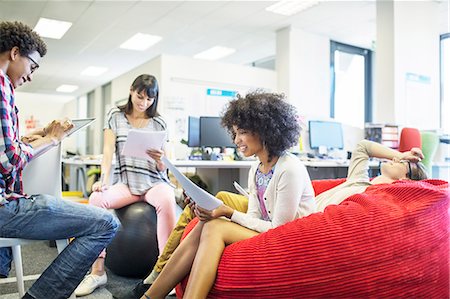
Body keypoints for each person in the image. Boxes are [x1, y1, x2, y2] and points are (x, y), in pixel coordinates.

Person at [141, 91, 317, 299]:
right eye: (234, 133)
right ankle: (150, 296)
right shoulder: (257, 168)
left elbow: (280, 229)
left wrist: (229, 213)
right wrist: (222, 213)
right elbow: (255, 216)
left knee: (215, 226)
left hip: (289, 238)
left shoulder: (290, 169)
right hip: (269, 230)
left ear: (264, 129)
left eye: (241, 132)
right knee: (207, 224)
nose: (236, 140)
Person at [0, 21, 120, 299]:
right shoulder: (3, 88)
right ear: (16, 53)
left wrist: (39, 134)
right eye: (32, 65)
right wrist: (52, 140)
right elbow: (9, 161)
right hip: (5, 207)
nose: (31, 75)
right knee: (106, 224)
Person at [75, 74, 177, 296]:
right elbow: (108, 152)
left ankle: (164, 271)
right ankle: (98, 271)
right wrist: (103, 181)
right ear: (131, 91)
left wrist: (161, 158)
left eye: (149, 100)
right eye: (140, 97)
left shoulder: (160, 122)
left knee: (168, 199)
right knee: (95, 200)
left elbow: (164, 168)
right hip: (127, 184)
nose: (144, 103)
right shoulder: (115, 115)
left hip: (154, 183)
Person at [315, 139, 428, 211]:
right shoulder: (358, 180)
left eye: (403, 162)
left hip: (302, 219)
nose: (395, 159)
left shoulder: (375, 202)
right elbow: (363, 147)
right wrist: (401, 155)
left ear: (405, 180)